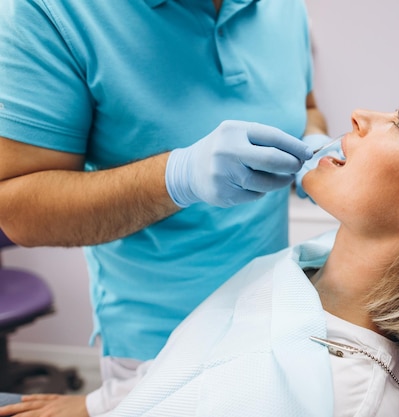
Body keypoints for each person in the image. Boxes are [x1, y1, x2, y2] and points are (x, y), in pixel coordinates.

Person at [1, 74, 399, 416]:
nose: (360, 114)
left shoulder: (320, 393)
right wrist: (97, 408)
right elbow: (193, 362)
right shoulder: (307, 268)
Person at [0, 0, 331, 415]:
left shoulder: (286, 8)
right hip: (154, 349)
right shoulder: (50, 13)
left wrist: (315, 143)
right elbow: (17, 208)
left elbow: (306, 106)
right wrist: (176, 176)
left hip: (267, 321)